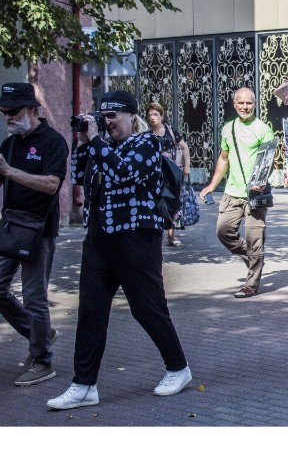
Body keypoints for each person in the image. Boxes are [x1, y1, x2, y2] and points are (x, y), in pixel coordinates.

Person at [48, 90, 191, 410]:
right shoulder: (101, 145)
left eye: (113, 116)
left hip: (136, 238)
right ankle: (84, 385)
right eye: (103, 116)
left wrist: (95, 141)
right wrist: (83, 141)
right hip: (99, 238)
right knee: (91, 311)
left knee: (147, 308)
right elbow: (79, 176)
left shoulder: (147, 143)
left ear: (131, 116)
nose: (107, 122)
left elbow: (124, 173)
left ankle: (178, 368)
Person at [0, 83, 68, 387]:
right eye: (4, 112)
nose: (8, 118)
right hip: (10, 226)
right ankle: (40, 334)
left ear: (31, 109)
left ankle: (42, 361)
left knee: (34, 296)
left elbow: (52, 185)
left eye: (13, 112)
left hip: (38, 229)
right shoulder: (9, 144)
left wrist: (10, 172)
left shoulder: (53, 142)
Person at [199, 87, 274, 298]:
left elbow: (269, 161)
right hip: (232, 192)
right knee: (223, 231)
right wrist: (212, 185)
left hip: (255, 194)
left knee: (254, 239)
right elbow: (224, 158)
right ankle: (252, 258)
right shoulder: (228, 129)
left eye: (249, 103)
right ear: (234, 104)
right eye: (241, 103)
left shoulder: (263, 129)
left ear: (254, 104)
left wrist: (261, 181)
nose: (245, 107)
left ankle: (251, 284)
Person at [146, 102, 191, 247]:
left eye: (155, 114)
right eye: (150, 115)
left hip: (172, 173)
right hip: (156, 174)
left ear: (161, 116)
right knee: (157, 202)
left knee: (173, 202)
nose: (152, 117)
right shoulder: (147, 135)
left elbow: (184, 147)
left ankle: (171, 236)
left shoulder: (170, 131)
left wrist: (187, 166)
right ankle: (157, 234)